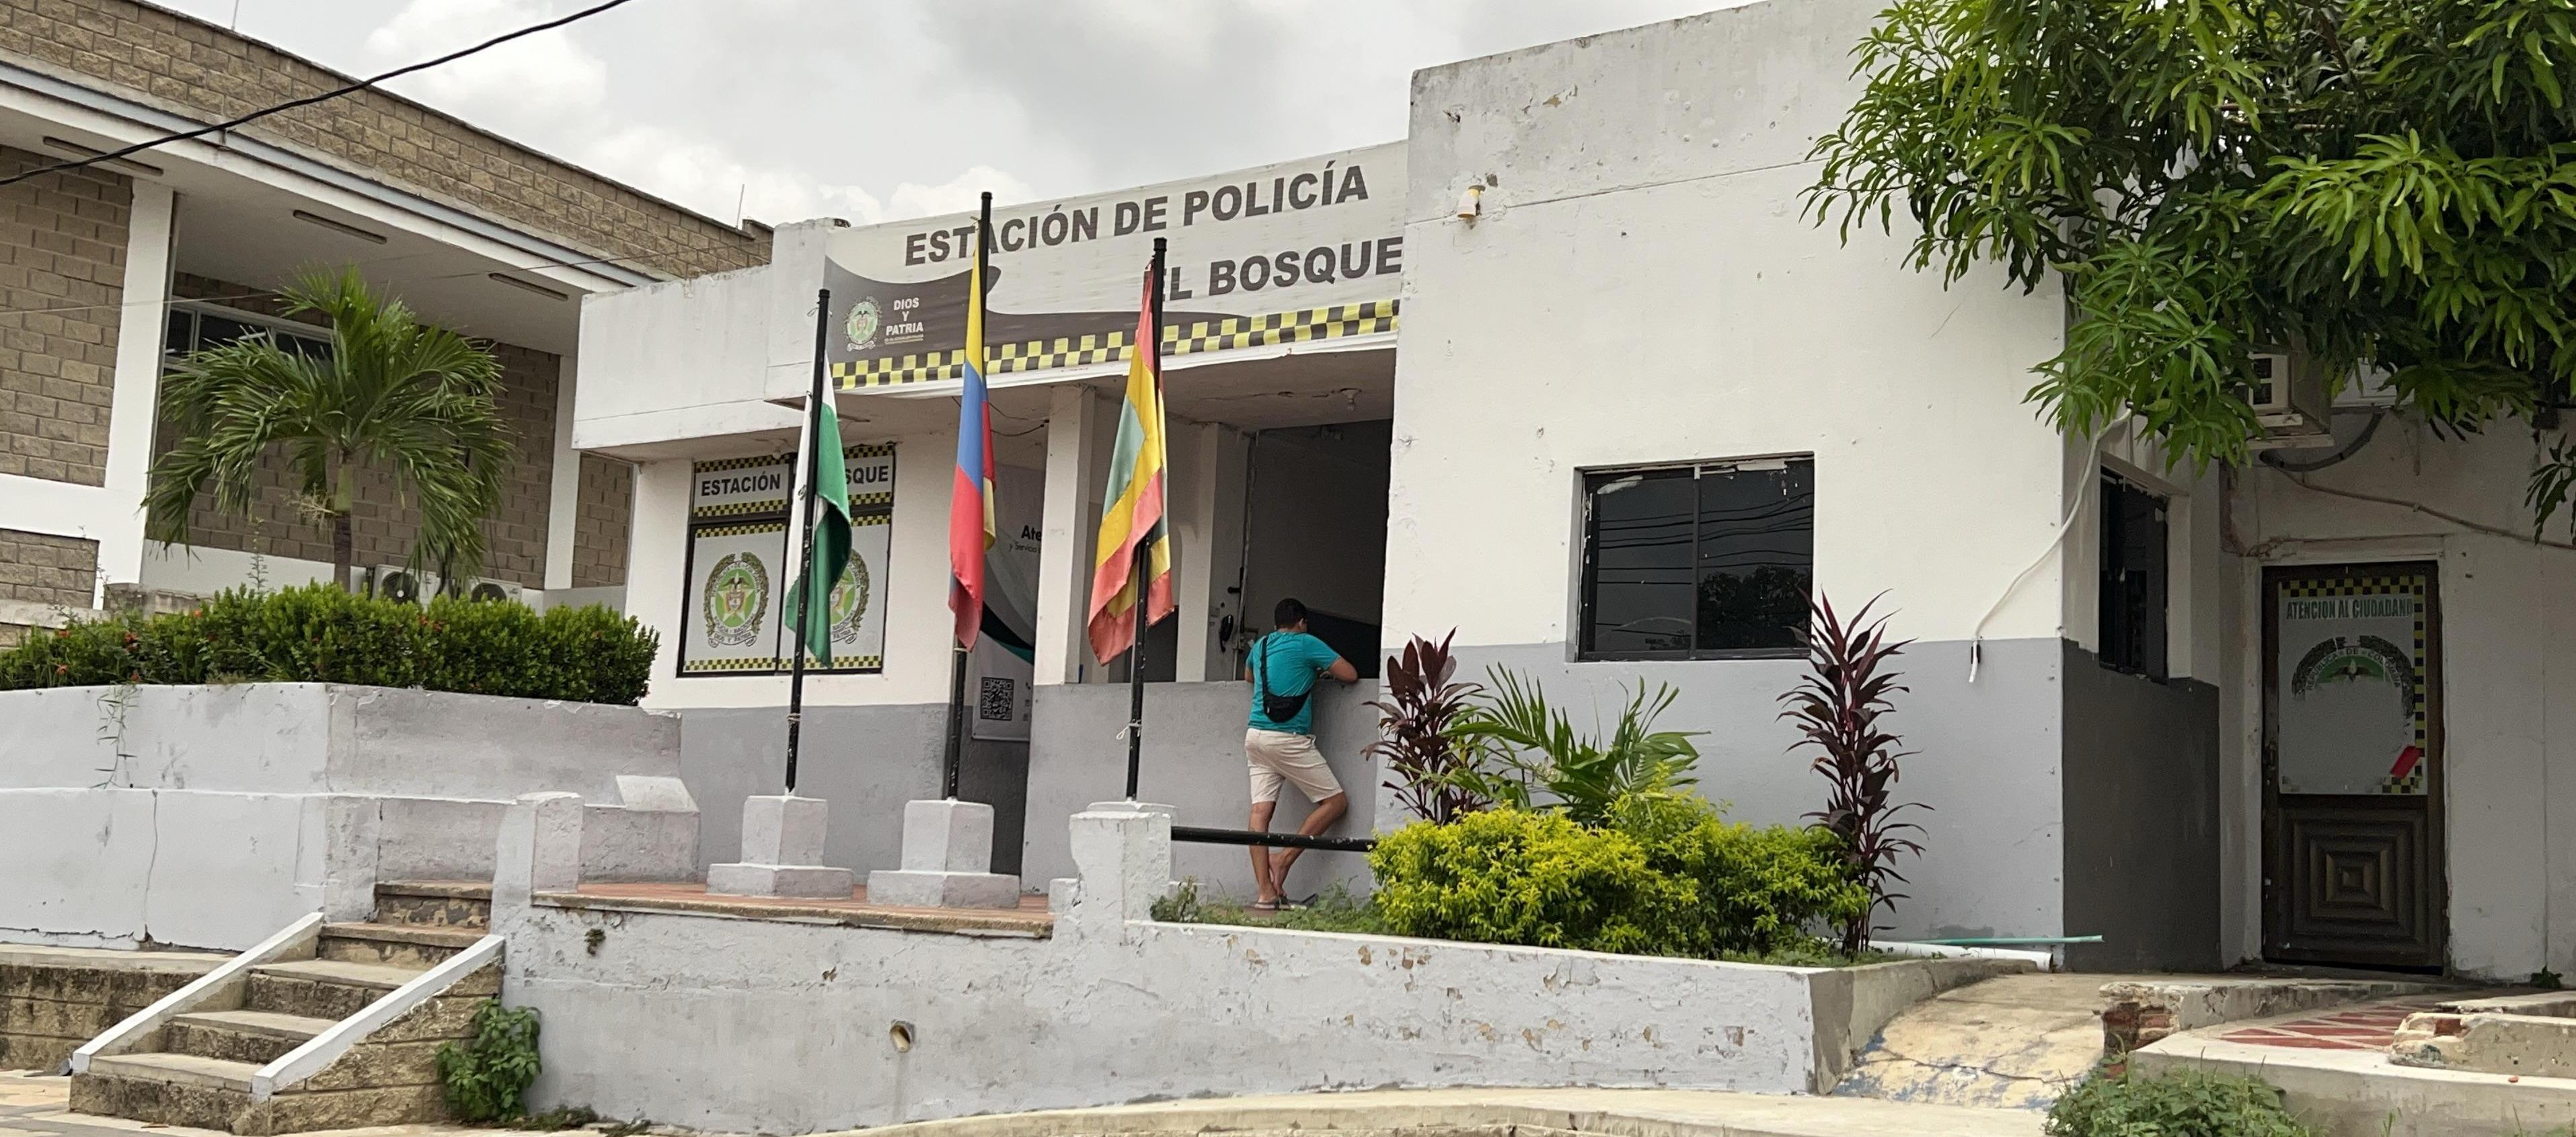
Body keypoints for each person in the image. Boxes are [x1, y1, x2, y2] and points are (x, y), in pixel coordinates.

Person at [1242, 597, 1357, 910]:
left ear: (1276, 622)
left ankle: (1265, 893)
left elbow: (1249, 678)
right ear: (1302, 622)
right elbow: (1350, 674)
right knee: (1336, 803)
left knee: (1259, 815)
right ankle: (1283, 859)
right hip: (1288, 739)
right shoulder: (1307, 643)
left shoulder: (1261, 646)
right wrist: (1316, 671)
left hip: (1255, 737)